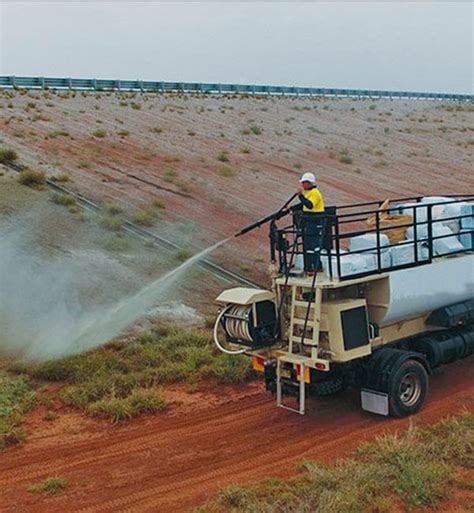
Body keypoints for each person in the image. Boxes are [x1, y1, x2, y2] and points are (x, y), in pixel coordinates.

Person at [295, 172, 325, 272]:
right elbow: (304, 204)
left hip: (314, 221)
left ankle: (316, 266)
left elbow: (310, 205)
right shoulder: (309, 193)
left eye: (304, 183)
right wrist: (292, 208)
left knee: (314, 245)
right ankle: (310, 266)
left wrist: (300, 196)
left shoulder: (315, 193)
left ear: (309, 183)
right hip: (309, 222)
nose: (302, 185)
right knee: (309, 245)